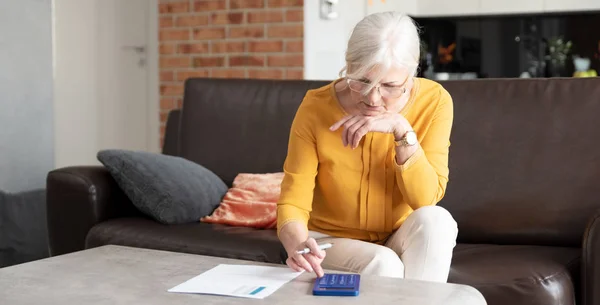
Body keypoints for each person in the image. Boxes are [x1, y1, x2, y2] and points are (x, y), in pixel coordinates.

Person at [276, 11, 458, 282]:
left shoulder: (435, 102)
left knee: (437, 221)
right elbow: (293, 199)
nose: (373, 98)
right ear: (348, 66)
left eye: (390, 86)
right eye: (360, 81)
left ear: (412, 74)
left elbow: (425, 200)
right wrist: (297, 243)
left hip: (398, 235)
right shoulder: (315, 107)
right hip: (330, 241)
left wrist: (402, 131)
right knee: (383, 263)